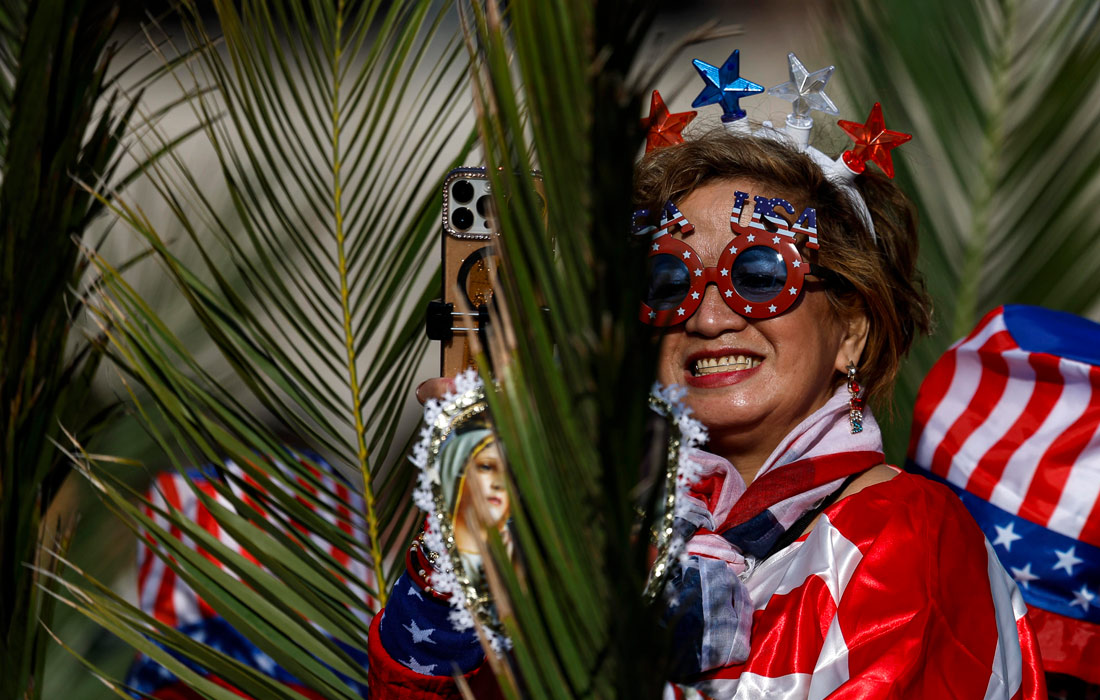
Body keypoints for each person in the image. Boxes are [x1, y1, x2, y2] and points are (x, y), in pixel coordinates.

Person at [368, 129, 1048, 699]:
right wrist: (464, 542)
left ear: (853, 330)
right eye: (667, 281)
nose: (709, 314)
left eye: (759, 274)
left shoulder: (905, 535)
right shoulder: (614, 537)